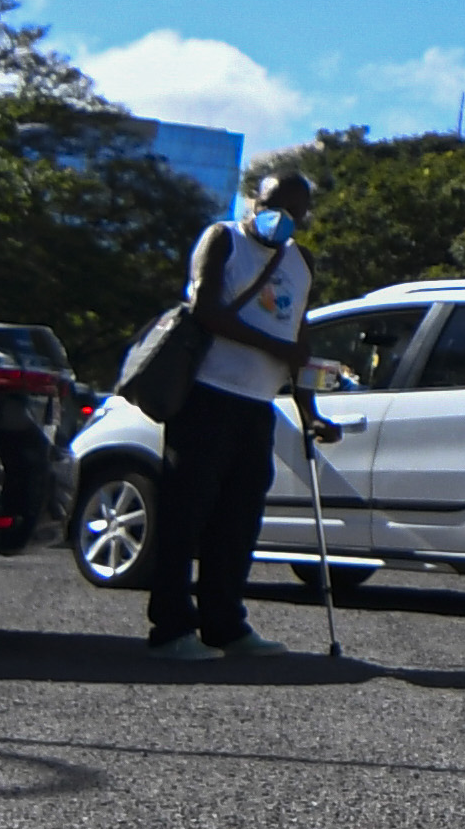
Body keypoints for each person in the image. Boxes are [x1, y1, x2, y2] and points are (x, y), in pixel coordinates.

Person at [144, 168, 338, 662]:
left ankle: (225, 624)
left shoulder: (301, 262)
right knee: (185, 516)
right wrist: (276, 347)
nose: (282, 219)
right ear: (255, 201)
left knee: (238, 522)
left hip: (257, 405)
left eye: (295, 213)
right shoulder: (223, 239)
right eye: (274, 206)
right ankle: (170, 628)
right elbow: (207, 311)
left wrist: (308, 409)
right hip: (206, 396)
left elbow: (299, 338)